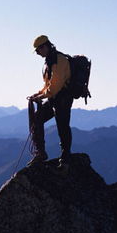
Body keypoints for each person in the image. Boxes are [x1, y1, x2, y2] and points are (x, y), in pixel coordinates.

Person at [28, 35, 73, 168]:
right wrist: (39, 94)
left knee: (62, 125)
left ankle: (65, 156)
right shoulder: (50, 60)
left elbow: (55, 86)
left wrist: (41, 97)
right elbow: (49, 85)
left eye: (38, 50)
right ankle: (40, 152)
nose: (37, 53)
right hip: (55, 98)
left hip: (63, 98)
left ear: (45, 46)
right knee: (37, 119)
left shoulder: (59, 60)